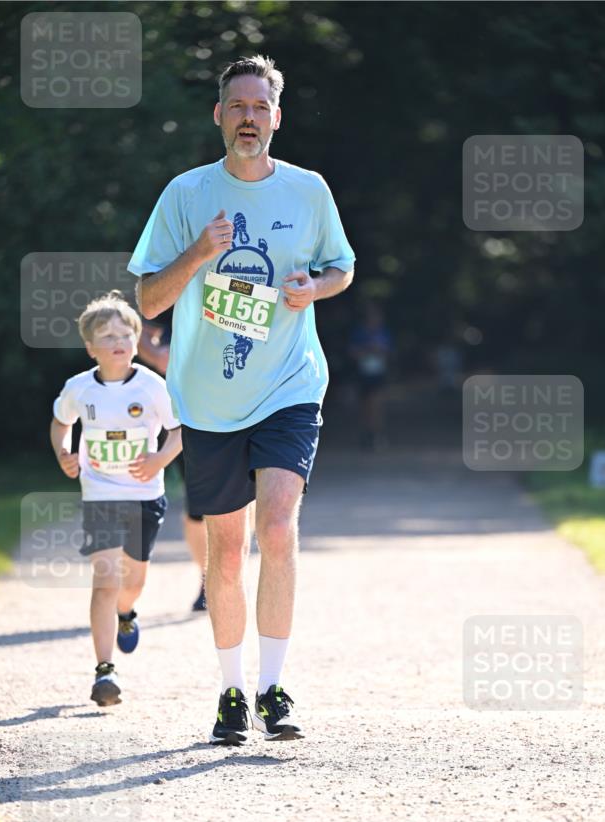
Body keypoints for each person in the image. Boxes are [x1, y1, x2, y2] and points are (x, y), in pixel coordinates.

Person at [129, 55, 355, 745]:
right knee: (225, 553)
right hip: (206, 399)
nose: (249, 117)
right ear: (219, 116)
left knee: (279, 528)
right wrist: (198, 253)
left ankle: (273, 687)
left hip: (289, 385)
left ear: (276, 117)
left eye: (261, 106)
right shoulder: (186, 194)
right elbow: (146, 300)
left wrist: (311, 289)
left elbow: (341, 266)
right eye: (237, 106)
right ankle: (231, 691)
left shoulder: (308, 191)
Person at [50, 291, 182, 707]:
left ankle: (127, 614)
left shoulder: (153, 385)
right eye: (106, 335)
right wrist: (64, 454)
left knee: (134, 582)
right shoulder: (78, 388)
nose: (118, 341)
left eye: (125, 333)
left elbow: (179, 431)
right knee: (105, 581)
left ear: (137, 338)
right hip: (100, 495)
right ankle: (104, 670)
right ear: (91, 347)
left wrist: (160, 457)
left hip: (145, 495)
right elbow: (60, 424)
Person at [137, 306, 208, 611]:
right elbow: (157, 354)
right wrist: (144, 343)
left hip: (238, 419)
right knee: (197, 510)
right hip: (187, 425)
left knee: (242, 502)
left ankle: (227, 571)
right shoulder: (168, 313)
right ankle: (208, 579)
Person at [349, 303, 393, 450]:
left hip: (378, 374)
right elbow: (352, 352)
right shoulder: (359, 333)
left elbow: (389, 352)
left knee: (377, 405)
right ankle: (367, 434)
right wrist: (367, 350)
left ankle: (377, 434)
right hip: (362, 374)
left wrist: (379, 351)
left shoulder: (383, 332)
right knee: (365, 406)